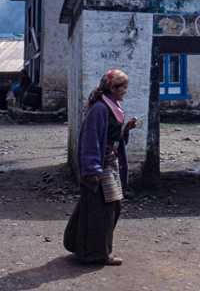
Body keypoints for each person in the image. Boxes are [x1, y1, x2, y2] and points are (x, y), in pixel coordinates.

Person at [64, 69, 138, 266]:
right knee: (102, 209)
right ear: (112, 88)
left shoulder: (111, 106)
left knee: (105, 207)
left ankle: (85, 248)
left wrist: (126, 128)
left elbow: (110, 136)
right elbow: (90, 140)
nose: (125, 91)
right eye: (123, 87)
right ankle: (96, 254)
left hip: (109, 165)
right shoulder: (99, 109)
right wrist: (90, 170)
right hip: (100, 167)